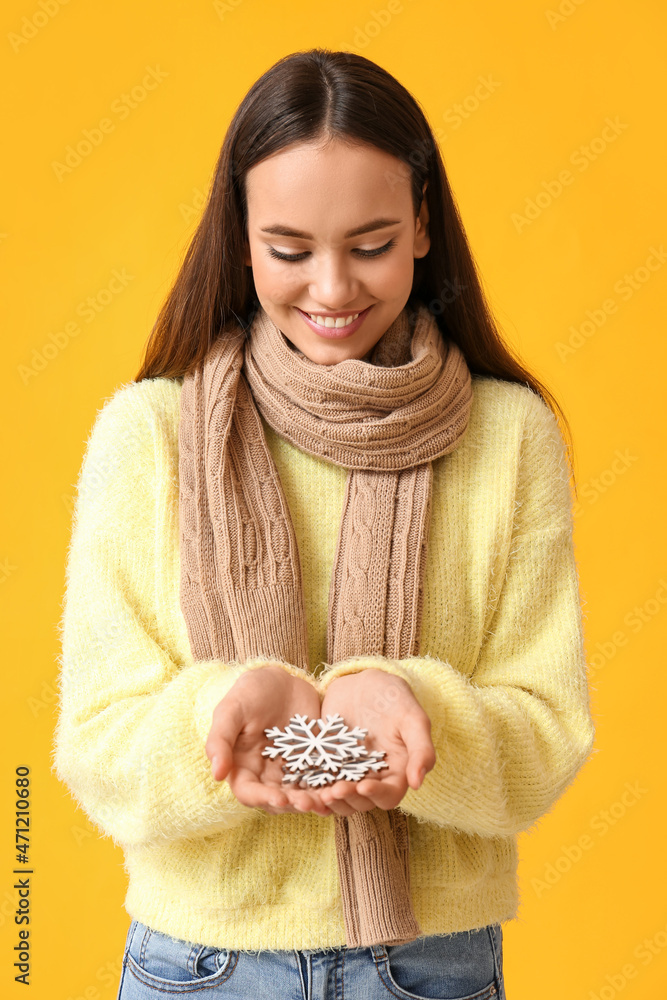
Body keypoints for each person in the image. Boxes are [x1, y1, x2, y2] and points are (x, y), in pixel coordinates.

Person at [52, 48, 596, 1000]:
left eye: (372, 243)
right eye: (291, 250)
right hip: (198, 968)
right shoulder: (150, 437)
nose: (334, 289)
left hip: (430, 965)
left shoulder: (510, 437)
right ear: (243, 237)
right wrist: (224, 716)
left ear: (423, 225)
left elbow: (547, 736)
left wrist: (408, 709)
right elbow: (95, 747)